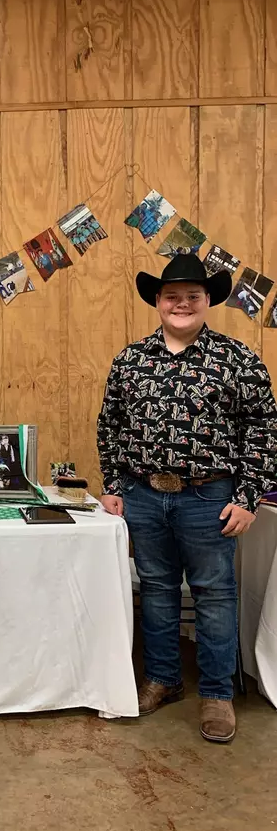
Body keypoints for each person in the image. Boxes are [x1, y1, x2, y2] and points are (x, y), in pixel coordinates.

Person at [97, 254, 277, 744]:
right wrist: (112, 485)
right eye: (172, 296)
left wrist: (248, 496)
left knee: (214, 593)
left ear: (207, 300)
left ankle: (217, 693)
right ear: (158, 301)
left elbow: (263, 430)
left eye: (192, 296)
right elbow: (110, 425)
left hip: (209, 497)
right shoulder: (131, 361)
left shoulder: (238, 360)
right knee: (156, 589)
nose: (182, 304)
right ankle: (163, 680)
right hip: (143, 494)